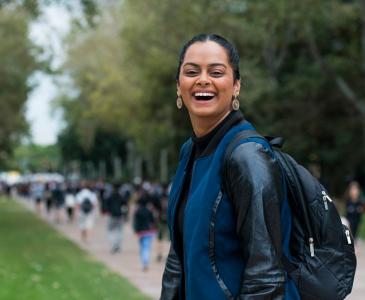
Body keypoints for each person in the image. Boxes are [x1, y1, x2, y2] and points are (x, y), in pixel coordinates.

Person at [160, 34, 300, 300]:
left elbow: (266, 278)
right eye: (191, 71)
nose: (203, 79)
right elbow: (178, 257)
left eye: (216, 72)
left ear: (236, 86)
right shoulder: (189, 152)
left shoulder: (248, 157)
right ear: (178, 86)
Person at [133, 189, 157, 271]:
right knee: (147, 247)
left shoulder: (137, 212)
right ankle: (145, 263)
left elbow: (135, 223)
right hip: (149, 232)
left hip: (141, 232)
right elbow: (153, 221)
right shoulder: (149, 211)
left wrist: (136, 230)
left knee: (142, 247)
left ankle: (144, 262)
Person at [104, 182, 129, 253]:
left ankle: (113, 245)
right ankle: (117, 245)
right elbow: (125, 207)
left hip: (112, 215)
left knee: (110, 231)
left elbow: (106, 206)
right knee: (119, 231)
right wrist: (126, 215)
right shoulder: (122, 196)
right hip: (119, 215)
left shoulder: (109, 196)